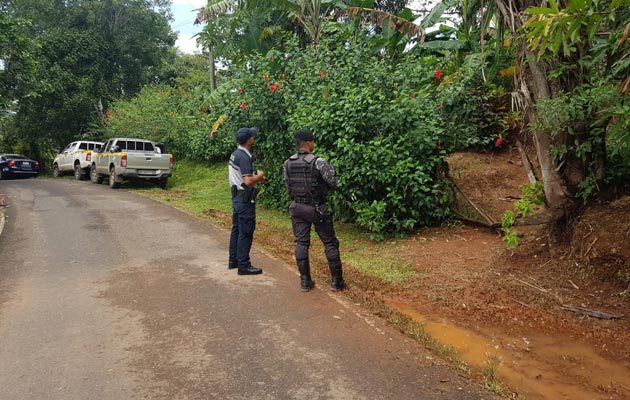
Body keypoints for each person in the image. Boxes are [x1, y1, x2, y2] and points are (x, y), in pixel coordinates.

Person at [282, 129, 346, 292]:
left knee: (301, 243)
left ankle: (305, 281)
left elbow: (287, 185)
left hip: (297, 208)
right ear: (309, 142)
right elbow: (334, 182)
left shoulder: (288, 163)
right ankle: (336, 282)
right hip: (317, 208)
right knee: (330, 242)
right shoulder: (319, 162)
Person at [228, 127, 265, 275]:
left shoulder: (235, 154)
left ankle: (234, 260)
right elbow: (249, 180)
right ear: (248, 140)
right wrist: (260, 176)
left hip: (236, 196)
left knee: (236, 229)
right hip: (244, 199)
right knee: (246, 231)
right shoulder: (244, 157)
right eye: (252, 136)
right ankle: (244, 265)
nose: (253, 138)